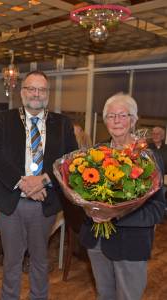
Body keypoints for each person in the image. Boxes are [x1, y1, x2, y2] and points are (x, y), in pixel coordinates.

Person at [0, 70, 77, 300]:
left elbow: (70, 161)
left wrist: (44, 180)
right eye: (31, 88)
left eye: (41, 89)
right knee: (12, 261)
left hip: (45, 202)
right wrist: (23, 184)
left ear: (48, 93)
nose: (36, 94)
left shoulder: (63, 123)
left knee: (40, 259)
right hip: (12, 202)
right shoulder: (4, 119)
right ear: (22, 92)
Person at [79, 93, 166, 300]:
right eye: (111, 116)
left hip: (131, 245)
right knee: (104, 295)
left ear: (134, 120)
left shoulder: (148, 157)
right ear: (105, 120)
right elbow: (81, 194)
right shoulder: (95, 153)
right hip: (97, 242)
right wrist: (89, 208)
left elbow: (157, 210)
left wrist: (115, 214)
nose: (116, 120)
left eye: (122, 115)